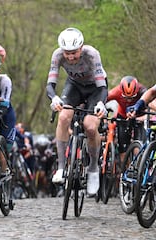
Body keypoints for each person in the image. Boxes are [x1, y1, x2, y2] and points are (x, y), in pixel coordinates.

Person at [46, 27, 108, 195]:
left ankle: (93, 168)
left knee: (90, 125)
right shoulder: (57, 55)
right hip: (74, 86)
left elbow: (102, 87)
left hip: (95, 88)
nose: (71, 57)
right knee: (64, 116)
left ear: (81, 48)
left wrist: (101, 104)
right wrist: (54, 98)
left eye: (74, 52)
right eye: (67, 53)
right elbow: (50, 85)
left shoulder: (92, 54)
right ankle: (60, 167)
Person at [107, 76, 147, 163]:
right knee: (123, 149)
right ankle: (124, 170)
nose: (129, 101)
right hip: (123, 117)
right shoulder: (116, 92)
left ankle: (138, 168)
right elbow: (101, 101)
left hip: (139, 117)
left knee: (138, 148)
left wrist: (141, 118)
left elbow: (151, 106)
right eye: (126, 97)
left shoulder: (143, 91)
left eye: (132, 97)